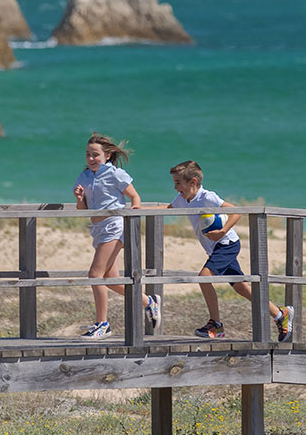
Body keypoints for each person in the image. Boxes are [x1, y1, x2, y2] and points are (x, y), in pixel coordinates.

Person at [168, 160, 293, 342]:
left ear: (193, 182)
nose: (175, 187)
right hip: (214, 248)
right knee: (242, 288)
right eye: (174, 183)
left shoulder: (207, 197)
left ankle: (216, 325)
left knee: (204, 277)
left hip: (227, 244)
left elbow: (236, 211)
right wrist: (138, 208)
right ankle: (281, 314)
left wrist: (222, 231)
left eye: (178, 183)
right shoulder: (182, 199)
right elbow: (167, 208)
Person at [74, 133, 160, 339]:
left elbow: (134, 196)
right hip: (97, 228)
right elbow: (83, 209)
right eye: (88, 154)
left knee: (95, 276)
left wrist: (135, 210)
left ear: (108, 155)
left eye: (95, 154)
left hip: (115, 226)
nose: (91, 158)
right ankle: (149, 302)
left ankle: (103, 324)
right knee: (111, 280)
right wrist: (79, 199)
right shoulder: (84, 177)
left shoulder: (116, 174)